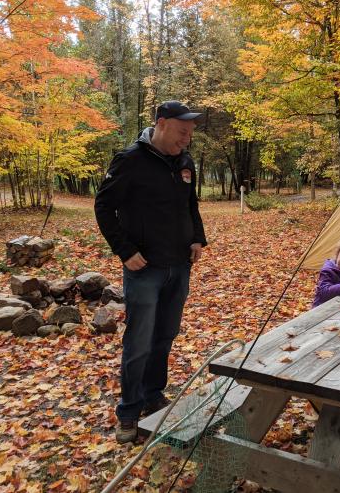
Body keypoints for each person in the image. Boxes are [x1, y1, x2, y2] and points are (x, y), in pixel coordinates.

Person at [94, 100, 207, 444]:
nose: (186, 139)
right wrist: (125, 251)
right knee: (139, 342)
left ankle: (153, 395)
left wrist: (198, 238)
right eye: (181, 131)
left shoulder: (185, 162)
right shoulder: (130, 160)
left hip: (179, 267)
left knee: (165, 335)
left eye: (189, 133)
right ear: (161, 124)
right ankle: (128, 411)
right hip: (145, 270)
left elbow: (191, 204)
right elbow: (103, 206)